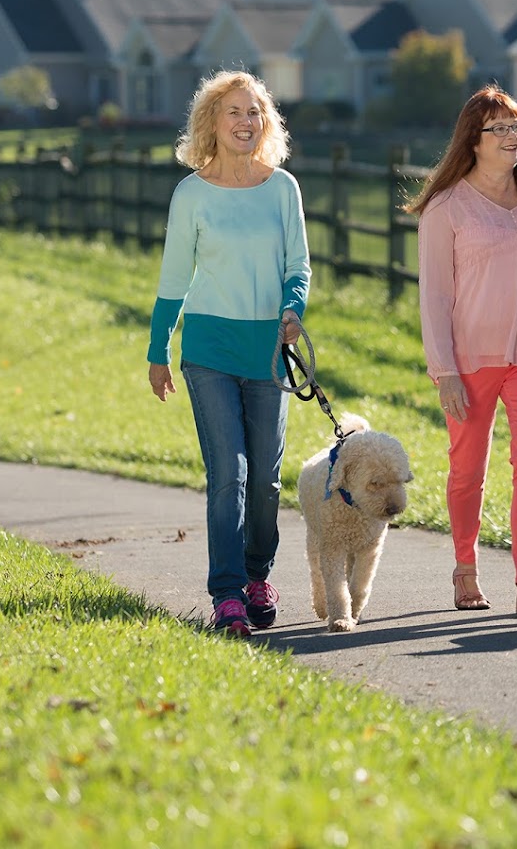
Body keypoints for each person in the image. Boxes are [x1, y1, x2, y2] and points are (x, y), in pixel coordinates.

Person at [147, 70, 310, 637]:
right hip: (209, 348)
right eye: (234, 112)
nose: (246, 122)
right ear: (211, 123)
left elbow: (298, 265)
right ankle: (227, 594)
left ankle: (258, 574)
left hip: (267, 350)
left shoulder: (282, 188)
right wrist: (157, 347)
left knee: (265, 480)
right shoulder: (191, 193)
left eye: (254, 112)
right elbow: (173, 277)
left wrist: (294, 308)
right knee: (228, 475)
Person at [407, 84, 517, 618]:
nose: (510, 138)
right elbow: (434, 296)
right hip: (468, 359)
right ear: (472, 140)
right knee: (466, 470)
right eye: (497, 129)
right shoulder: (445, 207)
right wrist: (444, 370)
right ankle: (465, 570)